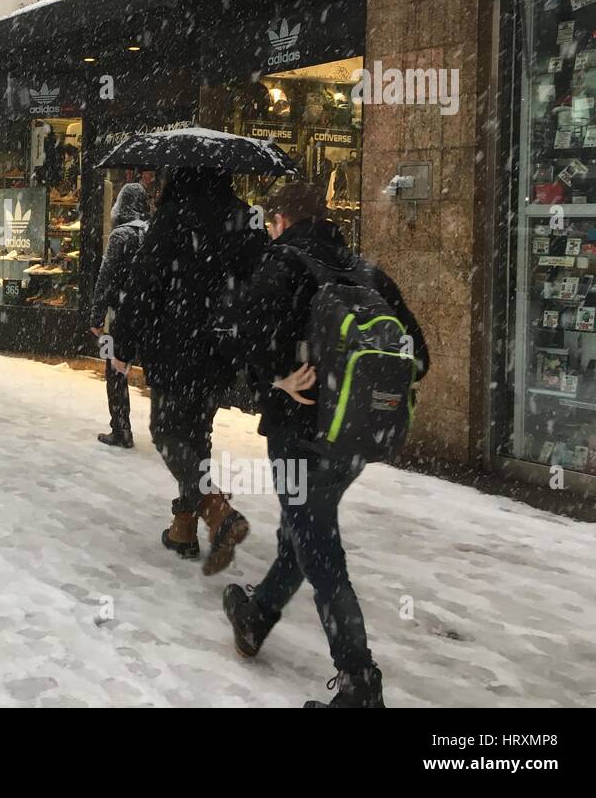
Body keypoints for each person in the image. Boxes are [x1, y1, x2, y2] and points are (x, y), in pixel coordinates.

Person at [222, 183, 429, 708]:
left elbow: (243, 330)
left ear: (283, 219)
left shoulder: (282, 263)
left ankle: (359, 680)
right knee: (305, 525)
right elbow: (418, 355)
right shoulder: (366, 272)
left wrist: (277, 378)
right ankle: (258, 614)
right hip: (356, 437)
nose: (270, 230)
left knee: (318, 545)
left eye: (271, 222)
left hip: (300, 434)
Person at [109, 168, 268, 575]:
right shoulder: (245, 217)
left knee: (166, 432)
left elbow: (145, 283)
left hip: (175, 345)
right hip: (220, 348)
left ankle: (216, 510)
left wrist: (122, 342)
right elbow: (262, 280)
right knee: (196, 433)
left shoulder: (173, 217)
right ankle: (183, 528)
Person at [90, 183, 151, 448]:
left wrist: (96, 318)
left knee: (115, 370)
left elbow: (106, 278)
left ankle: (121, 428)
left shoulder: (120, 236)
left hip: (123, 314)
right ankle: (168, 430)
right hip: (152, 315)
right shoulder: (154, 232)